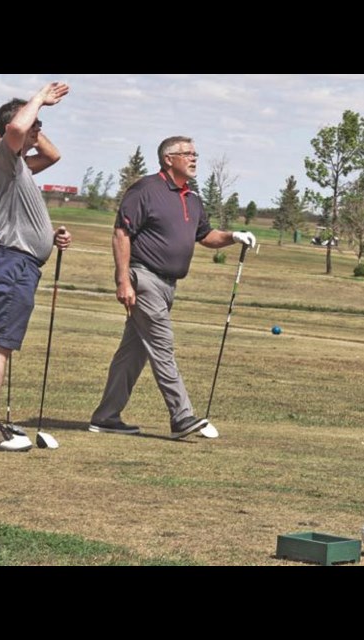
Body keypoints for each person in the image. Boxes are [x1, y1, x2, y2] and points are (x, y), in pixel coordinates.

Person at [88, 136, 256, 439]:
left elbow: (206, 236)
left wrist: (234, 236)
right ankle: (182, 417)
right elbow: (121, 234)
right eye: (187, 154)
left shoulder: (191, 197)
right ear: (168, 159)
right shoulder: (145, 190)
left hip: (168, 286)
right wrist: (123, 280)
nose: (194, 159)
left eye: (195, 154)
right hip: (144, 279)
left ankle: (105, 417)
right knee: (162, 346)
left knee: (133, 352)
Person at [0, 82, 72, 452]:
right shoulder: (3, 156)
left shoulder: (21, 167)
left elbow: (53, 154)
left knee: (4, 342)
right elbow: (14, 130)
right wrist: (37, 100)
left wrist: (50, 235)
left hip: (22, 260)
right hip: (12, 260)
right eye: (34, 125)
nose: (37, 131)